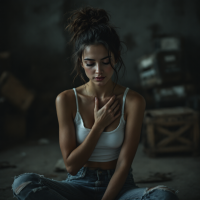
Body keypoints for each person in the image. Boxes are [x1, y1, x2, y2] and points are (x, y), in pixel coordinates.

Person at [11, 6, 179, 200]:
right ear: (81, 62)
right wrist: (99, 126)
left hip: (120, 188)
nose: (98, 70)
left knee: (164, 196)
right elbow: (72, 166)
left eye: (105, 61)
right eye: (90, 63)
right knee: (23, 182)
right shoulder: (66, 100)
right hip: (77, 186)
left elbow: (124, 164)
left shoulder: (133, 101)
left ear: (115, 58)